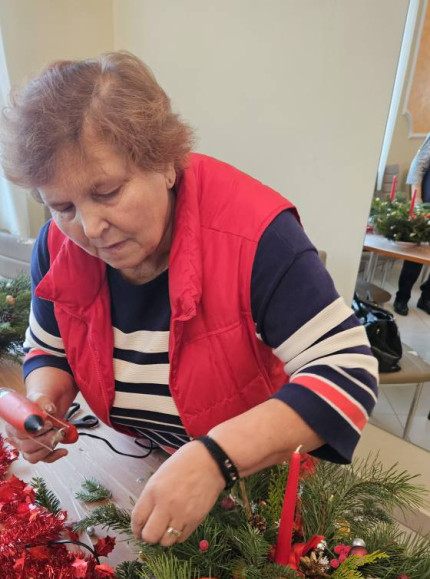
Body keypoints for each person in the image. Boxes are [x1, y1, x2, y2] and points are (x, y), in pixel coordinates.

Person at [0, 52, 378, 547]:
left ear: (166, 164)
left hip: (261, 486)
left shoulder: (260, 238)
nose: (90, 229)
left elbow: (348, 376)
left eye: (109, 192)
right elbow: (48, 348)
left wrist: (216, 458)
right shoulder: (59, 245)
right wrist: (46, 401)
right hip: (146, 459)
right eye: (64, 206)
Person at [394, 132, 430, 316]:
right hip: (426, 203)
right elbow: (419, 165)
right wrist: (417, 201)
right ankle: (402, 297)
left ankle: (427, 298)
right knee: (416, 255)